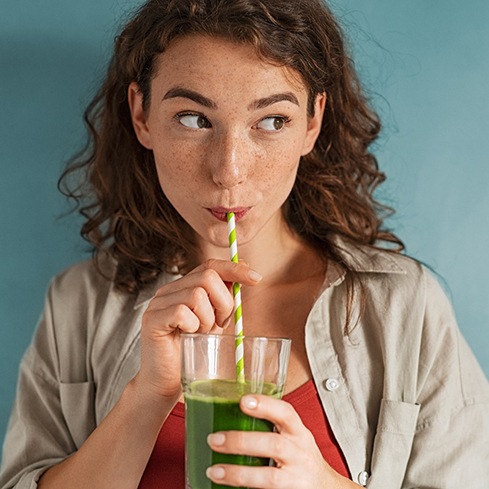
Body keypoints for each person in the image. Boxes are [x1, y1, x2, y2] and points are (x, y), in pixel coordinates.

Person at [1, 0, 489, 487]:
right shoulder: (76, 305)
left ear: (312, 122)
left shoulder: (406, 306)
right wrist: (147, 394)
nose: (229, 171)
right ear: (142, 115)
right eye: (193, 119)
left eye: (272, 121)